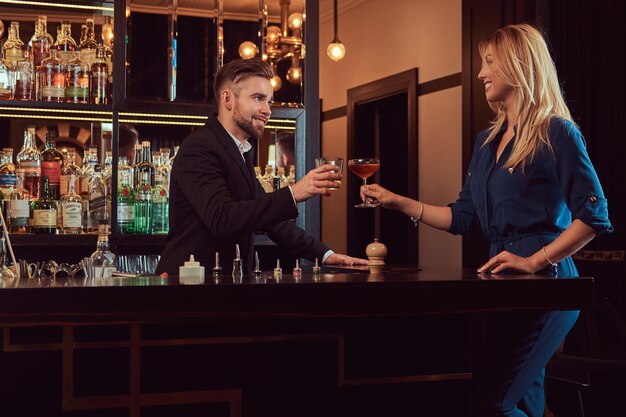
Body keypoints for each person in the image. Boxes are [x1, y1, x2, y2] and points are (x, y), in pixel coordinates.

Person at [361, 24, 612, 416]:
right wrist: (398, 202)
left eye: (490, 61)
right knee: (522, 400)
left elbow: (594, 217)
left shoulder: (555, 131)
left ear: (518, 65)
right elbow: (463, 217)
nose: (481, 73)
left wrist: (533, 261)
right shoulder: (485, 142)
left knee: (494, 403)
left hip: (548, 285)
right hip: (499, 286)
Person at [156, 58, 366, 275]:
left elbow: (272, 222)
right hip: (190, 286)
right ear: (227, 99)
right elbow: (222, 219)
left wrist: (325, 255)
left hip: (223, 285)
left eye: (269, 101)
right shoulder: (199, 147)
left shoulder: (238, 150)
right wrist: (294, 193)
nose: (267, 110)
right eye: (258, 99)